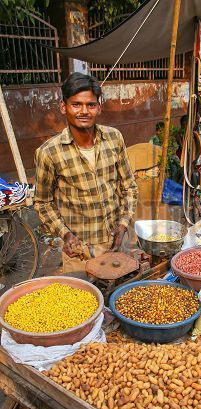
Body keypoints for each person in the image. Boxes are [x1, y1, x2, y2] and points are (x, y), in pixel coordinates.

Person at [34, 72, 138, 278]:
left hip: (117, 243)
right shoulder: (48, 152)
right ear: (64, 107)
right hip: (79, 251)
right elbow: (42, 203)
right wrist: (66, 235)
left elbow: (129, 187)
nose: (84, 111)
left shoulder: (114, 138)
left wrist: (124, 224)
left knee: (119, 300)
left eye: (91, 105)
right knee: (85, 304)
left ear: (99, 107)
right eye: (76, 105)